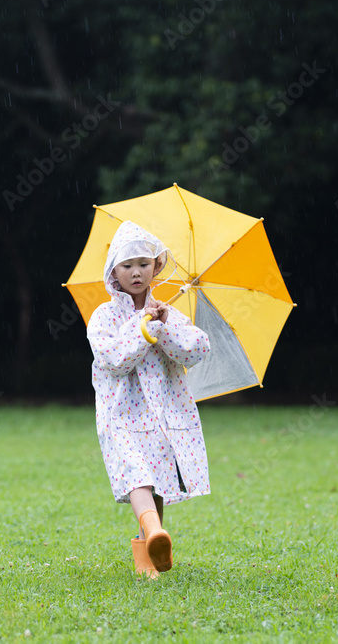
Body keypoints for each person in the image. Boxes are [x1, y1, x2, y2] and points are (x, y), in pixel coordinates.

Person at [87, 221, 211, 578]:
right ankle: (155, 531)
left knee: (157, 479)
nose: (136, 272)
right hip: (120, 414)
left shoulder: (168, 313)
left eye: (143, 263)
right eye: (126, 265)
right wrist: (142, 328)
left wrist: (165, 326)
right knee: (135, 475)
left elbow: (196, 350)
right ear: (113, 272)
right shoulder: (104, 317)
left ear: (156, 266)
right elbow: (113, 359)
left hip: (161, 413)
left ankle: (149, 559)